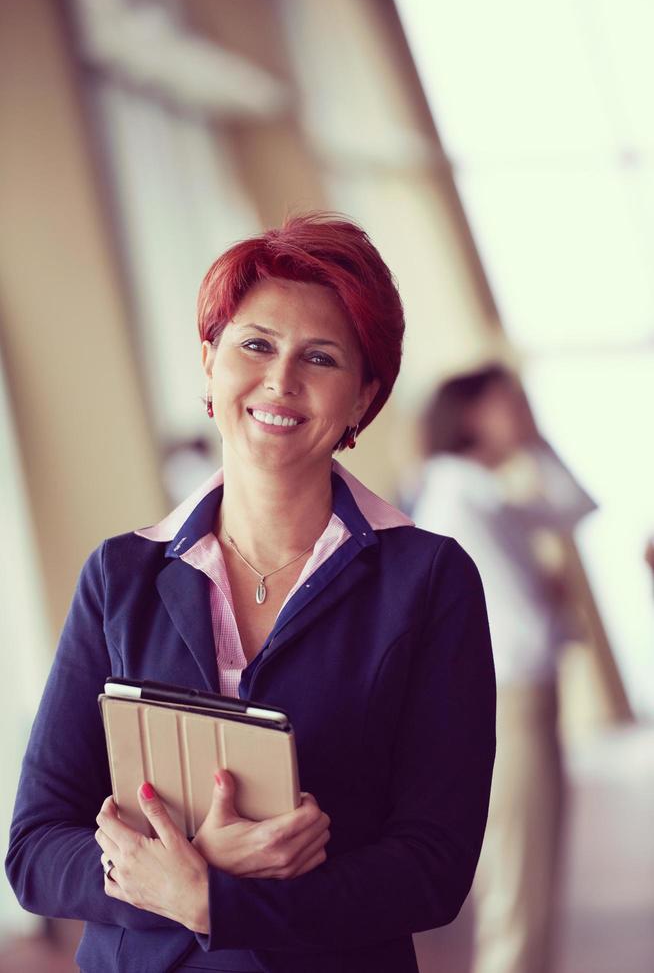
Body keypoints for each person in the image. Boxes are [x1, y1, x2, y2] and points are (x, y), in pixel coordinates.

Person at [6, 214, 495, 973]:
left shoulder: (428, 580)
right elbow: (36, 850)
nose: (280, 381)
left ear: (364, 397)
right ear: (208, 363)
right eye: (256, 344)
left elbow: (434, 868)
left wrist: (213, 900)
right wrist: (188, 868)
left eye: (321, 358)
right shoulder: (119, 577)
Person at [412, 366, 597, 973]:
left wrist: (536, 440)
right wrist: (550, 608)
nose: (522, 411)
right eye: (508, 403)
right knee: (520, 880)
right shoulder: (460, 493)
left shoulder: (480, 489)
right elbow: (513, 622)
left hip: (525, 696)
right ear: (469, 416)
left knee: (532, 873)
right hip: (510, 699)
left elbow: (575, 507)